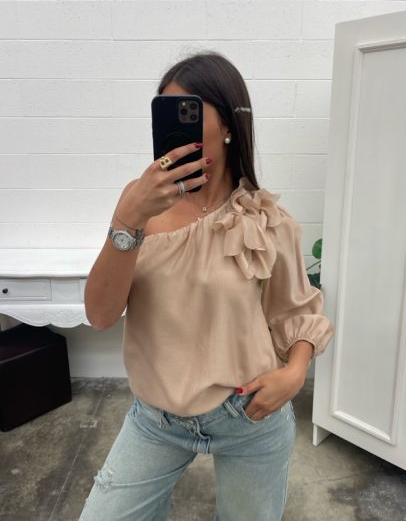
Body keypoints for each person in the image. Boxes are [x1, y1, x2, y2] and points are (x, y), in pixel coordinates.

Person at [80, 52, 334, 521]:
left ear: (230, 125)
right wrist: (127, 220)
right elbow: (99, 315)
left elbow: (297, 312)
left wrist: (295, 373)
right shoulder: (138, 207)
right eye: (166, 113)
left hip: (249, 415)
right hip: (156, 420)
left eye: (190, 113)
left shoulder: (265, 219)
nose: (178, 129)